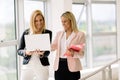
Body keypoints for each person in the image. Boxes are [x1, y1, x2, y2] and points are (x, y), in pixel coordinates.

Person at [17, 10, 52, 80]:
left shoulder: (48, 32)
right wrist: (26, 52)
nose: (39, 22)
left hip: (42, 65)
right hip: (28, 65)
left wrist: (42, 53)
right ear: (32, 21)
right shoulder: (26, 32)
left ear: (43, 20)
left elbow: (48, 51)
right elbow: (19, 50)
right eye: (36, 21)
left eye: (40, 20)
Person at [51, 11, 85, 80]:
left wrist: (72, 53)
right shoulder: (59, 34)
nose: (63, 24)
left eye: (65, 21)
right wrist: (44, 46)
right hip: (59, 66)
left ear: (71, 21)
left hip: (73, 67)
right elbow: (53, 46)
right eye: (62, 22)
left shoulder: (80, 34)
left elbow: (81, 54)